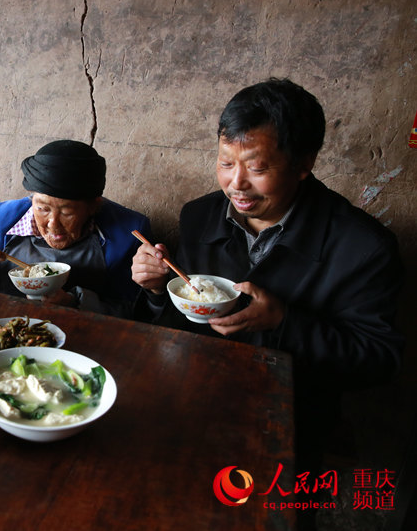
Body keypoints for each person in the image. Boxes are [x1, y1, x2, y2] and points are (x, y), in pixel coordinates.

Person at [131, 78, 404, 478]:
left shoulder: (364, 247)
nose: (236, 184)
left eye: (257, 168)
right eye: (226, 163)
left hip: (288, 421)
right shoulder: (199, 216)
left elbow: (379, 362)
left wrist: (285, 323)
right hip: (193, 397)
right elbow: (180, 321)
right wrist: (157, 290)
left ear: (304, 163)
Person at [0, 139, 151, 315]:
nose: (53, 224)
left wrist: (74, 302)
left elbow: (134, 312)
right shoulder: (1, 219)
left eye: (67, 212)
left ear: (94, 206)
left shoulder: (127, 232)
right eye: (42, 208)